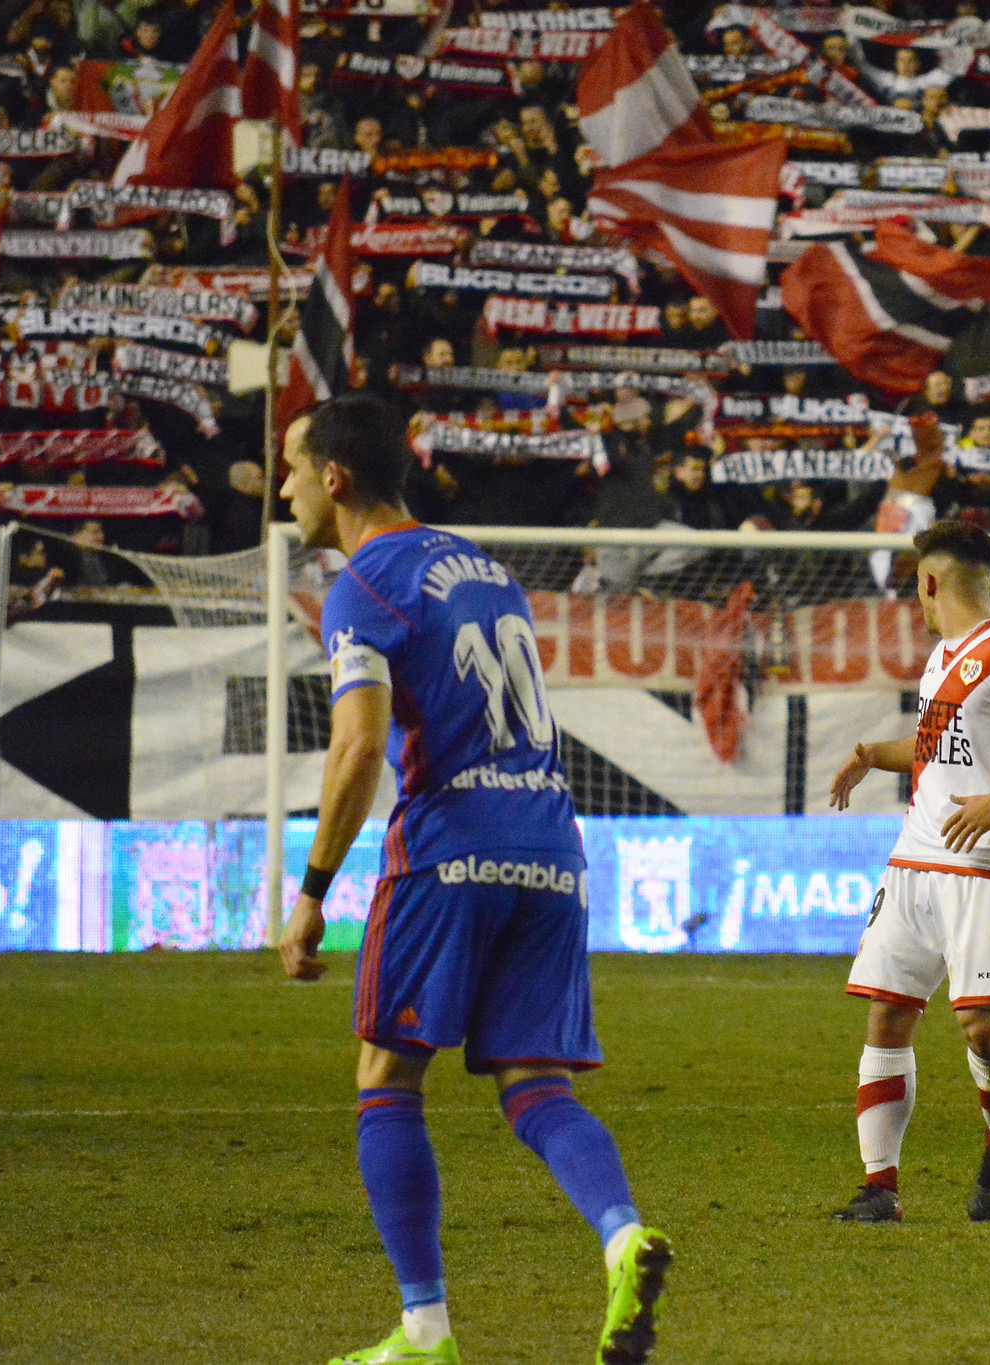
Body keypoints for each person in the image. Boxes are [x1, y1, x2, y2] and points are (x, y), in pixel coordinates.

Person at [273, 395, 670, 1365]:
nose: (281, 488)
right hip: (550, 848)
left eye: (290, 468)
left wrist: (313, 890)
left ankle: (424, 1334)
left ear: (334, 479)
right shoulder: (487, 570)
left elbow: (359, 747)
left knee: (387, 1077)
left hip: (450, 849)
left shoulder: (361, 589)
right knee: (536, 1084)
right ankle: (624, 1238)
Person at [825, 519, 990, 1224]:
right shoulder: (942, 656)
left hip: (987, 859)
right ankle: (879, 1187)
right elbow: (935, 748)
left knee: (981, 1027)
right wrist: (868, 752)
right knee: (887, 1013)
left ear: (930, 583)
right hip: (917, 855)